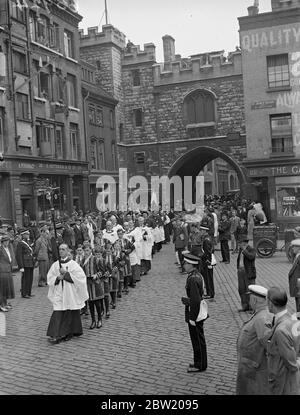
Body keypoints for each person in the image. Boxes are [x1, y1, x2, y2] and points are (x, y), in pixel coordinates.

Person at [46, 243, 89, 344]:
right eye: (60, 249)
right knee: (58, 311)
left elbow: (81, 278)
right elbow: (50, 278)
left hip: (70, 293)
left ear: (68, 251)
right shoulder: (55, 265)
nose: (61, 251)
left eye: (63, 249)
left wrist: (66, 274)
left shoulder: (73, 264)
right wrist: (57, 278)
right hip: (59, 292)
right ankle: (55, 333)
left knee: (70, 311)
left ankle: (71, 331)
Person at [236, 284, 272, 395]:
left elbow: (269, 346)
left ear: (255, 300)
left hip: (255, 371)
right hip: (250, 369)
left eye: (250, 297)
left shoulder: (262, 318)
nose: (249, 300)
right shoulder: (259, 315)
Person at [266, 287, 300, 395]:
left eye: (267, 301)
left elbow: (291, 362)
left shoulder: (280, 331)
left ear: (271, 304)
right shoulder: (292, 319)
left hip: (283, 382)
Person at [181, 253, 208, 373]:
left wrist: (192, 317)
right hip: (197, 311)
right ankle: (200, 362)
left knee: (197, 340)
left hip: (195, 313)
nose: (184, 265)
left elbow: (195, 300)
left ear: (192, 265)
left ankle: (200, 364)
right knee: (198, 339)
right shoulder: (196, 275)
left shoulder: (193, 278)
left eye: (186, 263)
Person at [80, 244, 103, 330]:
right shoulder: (82, 261)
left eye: (88, 250)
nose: (86, 252)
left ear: (91, 250)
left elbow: (102, 271)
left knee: (97, 302)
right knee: (90, 303)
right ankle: (93, 320)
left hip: (95, 283)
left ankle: (99, 319)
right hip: (87, 283)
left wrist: (96, 275)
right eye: (85, 251)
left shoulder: (95, 259)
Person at [237, 237, 257, 312]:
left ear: (244, 243)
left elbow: (251, 257)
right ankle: (244, 306)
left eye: (240, 243)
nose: (239, 244)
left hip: (248, 272)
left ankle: (252, 307)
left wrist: (244, 250)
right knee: (241, 289)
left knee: (250, 290)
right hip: (240, 271)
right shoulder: (240, 250)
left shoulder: (251, 249)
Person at [16, 229, 35, 299]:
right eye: (26, 234)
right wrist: (21, 266)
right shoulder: (20, 243)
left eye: (28, 234)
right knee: (25, 279)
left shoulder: (28, 242)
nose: (28, 235)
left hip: (30, 262)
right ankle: (24, 293)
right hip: (25, 263)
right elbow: (19, 255)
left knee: (30, 278)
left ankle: (29, 292)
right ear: (23, 235)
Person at [0, 234, 15, 312]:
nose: (7, 243)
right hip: (2, 271)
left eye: (8, 241)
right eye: (5, 241)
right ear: (2, 242)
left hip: (8, 270)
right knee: (2, 289)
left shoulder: (8, 248)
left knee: (6, 288)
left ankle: (5, 303)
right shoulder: (0, 249)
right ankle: (1, 305)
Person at [288, 239, 300, 312]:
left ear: (299, 248)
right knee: (298, 304)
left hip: (299, 286)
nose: (292, 248)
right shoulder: (297, 257)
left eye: (294, 247)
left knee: (299, 304)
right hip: (297, 287)